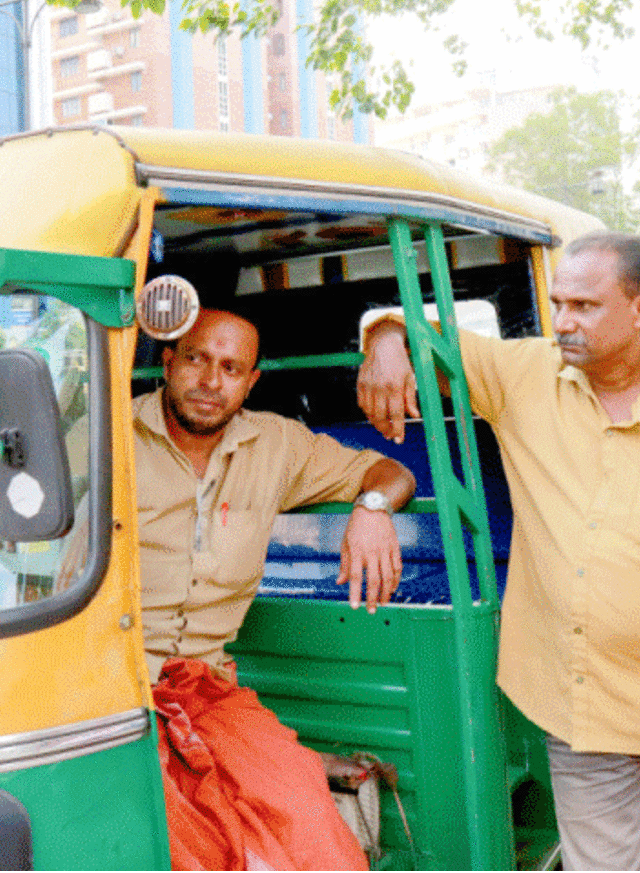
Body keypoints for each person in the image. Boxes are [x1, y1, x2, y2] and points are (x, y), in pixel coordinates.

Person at [356, 231, 640, 870]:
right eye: (558, 303)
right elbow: (418, 331)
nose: (562, 321)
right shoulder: (524, 376)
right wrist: (388, 341)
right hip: (581, 698)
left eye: (584, 306)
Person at [136, 308, 416, 870]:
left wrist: (373, 507)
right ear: (167, 362)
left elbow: (390, 472)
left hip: (208, 687)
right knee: (176, 840)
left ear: (252, 381)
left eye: (232, 368)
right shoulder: (105, 438)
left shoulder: (277, 444)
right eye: (196, 359)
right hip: (113, 690)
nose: (212, 382)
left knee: (308, 819)